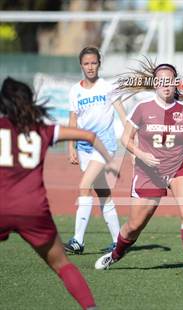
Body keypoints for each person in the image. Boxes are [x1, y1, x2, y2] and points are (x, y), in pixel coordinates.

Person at [94, 59, 183, 275]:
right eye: (161, 81)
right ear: (155, 84)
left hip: (180, 169)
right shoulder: (142, 109)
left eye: (169, 81)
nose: (166, 85)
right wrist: (142, 155)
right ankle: (115, 255)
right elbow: (126, 139)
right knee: (134, 226)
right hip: (148, 172)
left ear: (175, 83)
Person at [0, 77, 118, 309]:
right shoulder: (43, 130)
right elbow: (90, 136)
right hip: (33, 209)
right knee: (63, 265)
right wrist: (110, 161)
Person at [64, 46, 126, 255]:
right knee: (103, 194)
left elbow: (123, 117)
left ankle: (78, 241)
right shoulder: (75, 91)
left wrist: (132, 139)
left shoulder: (108, 87)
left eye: (93, 63)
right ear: (81, 65)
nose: (90, 67)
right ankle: (119, 242)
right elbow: (73, 119)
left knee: (83, 187)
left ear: (99, 63)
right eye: (86, 63)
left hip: (104, 146)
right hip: (84, 146)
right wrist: (70, 145)